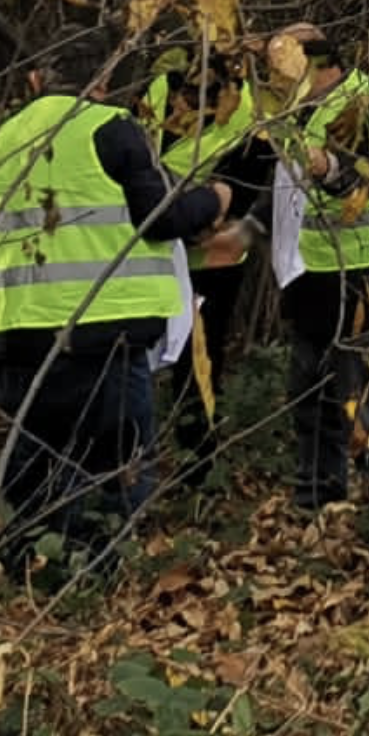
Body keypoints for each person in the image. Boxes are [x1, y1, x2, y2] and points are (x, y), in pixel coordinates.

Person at [0, 30, 236, 565]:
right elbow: (163, 221)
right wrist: (217, 197)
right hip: (102, 336)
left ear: (34, 80)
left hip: (12, 339)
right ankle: (99, 575)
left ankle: (32, 566)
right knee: (120, 467)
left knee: (40, 463)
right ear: (106, 80)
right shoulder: (110, 130)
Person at [269, 29, 369, 509]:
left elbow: (357, 180)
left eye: (284, 68)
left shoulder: (367, 105)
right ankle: (317, 499)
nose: (277, 81)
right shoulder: (301, 109)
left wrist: (321, 164)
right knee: (310, 391)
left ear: (313, 65)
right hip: (315, 275)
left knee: (368, 398)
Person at [157, 46, 275, 478]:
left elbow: (253, 180)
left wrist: (225, 221)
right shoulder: (157, 93)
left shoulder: (249, 112)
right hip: (156, 250)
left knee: (199, 366)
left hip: (214, 257)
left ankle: (196, 469)